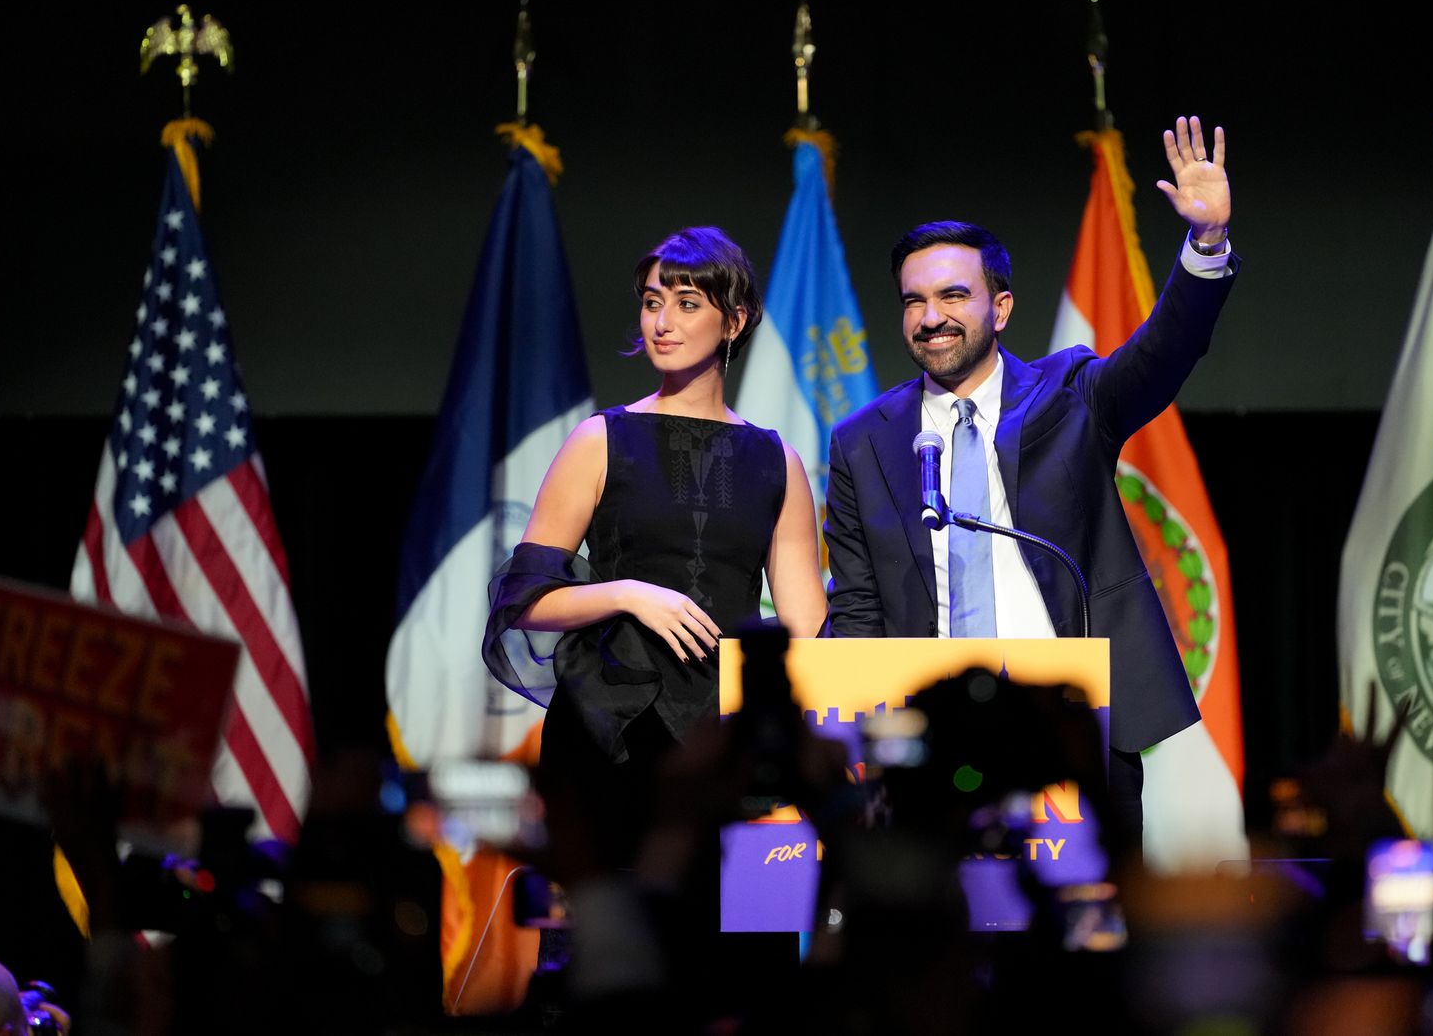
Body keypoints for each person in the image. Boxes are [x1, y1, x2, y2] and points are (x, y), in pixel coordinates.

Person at [822, 116, 1238, 843]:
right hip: (929, 735)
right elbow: (857, 606)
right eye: (914, 301)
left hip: (1071, 723)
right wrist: (861, 734)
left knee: (1081, 943)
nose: (931, 318)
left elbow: (1163, 353)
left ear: (1000, 306)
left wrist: (1205, 245)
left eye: (953, 295)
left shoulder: (1071, 393)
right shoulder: (863, 441)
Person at [482, 225, 827, 870]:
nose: (662, 322)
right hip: (610, 723)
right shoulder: (599, 439)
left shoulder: (777, 460)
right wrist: (628, 593)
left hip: (727, 738)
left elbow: (805, 625)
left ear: (735, 321)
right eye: (651, 301)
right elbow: (524, 601)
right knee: (616, 941)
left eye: (687, 303)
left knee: (734, 945)